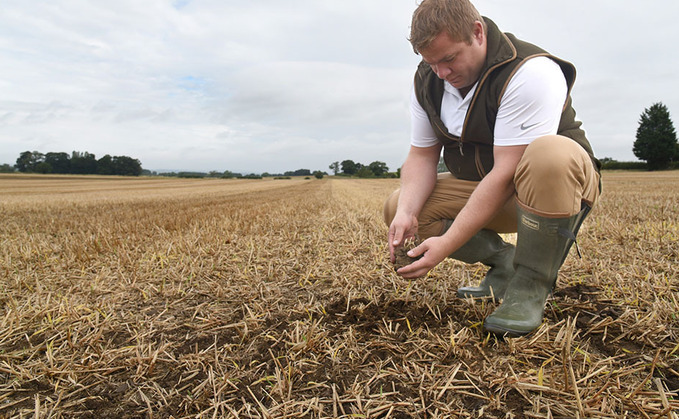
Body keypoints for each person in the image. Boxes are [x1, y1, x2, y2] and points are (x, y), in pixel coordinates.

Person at [384, 0, 601, 337]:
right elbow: (422, 157)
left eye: (449, 58)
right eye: (430, 62)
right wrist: (406, 212)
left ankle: (530, 285)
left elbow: (505, 175)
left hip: (553, 191)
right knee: (399, 204)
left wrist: (446, 244)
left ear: (477, 32)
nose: (441, 73)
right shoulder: (429, 80)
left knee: (549, 154)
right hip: (490, 188)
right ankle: (503, 262)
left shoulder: (531, 72)